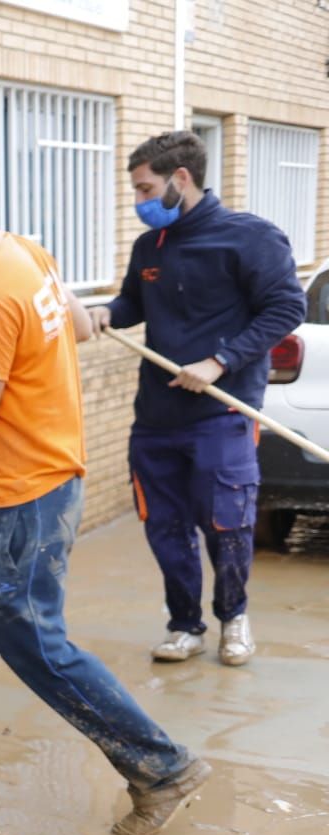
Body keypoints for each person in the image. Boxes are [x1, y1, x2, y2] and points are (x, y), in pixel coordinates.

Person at [0, 150, 208, 835]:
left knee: (35, 642)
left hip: (22, 493)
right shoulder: (24, 252)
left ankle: (161, 766)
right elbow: (79, 326)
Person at [90, 131, 305, 668]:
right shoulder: (150, 248)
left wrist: (220, 361)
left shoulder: (250, 239)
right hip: (156, 417)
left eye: (145, 189)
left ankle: (234, 617)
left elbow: (285, 310)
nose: (139, 202)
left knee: (226, 522)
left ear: (180, 180)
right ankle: (185, 624)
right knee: (164, 526)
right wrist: (105, 314)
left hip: (222, 411)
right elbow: (132, 302)